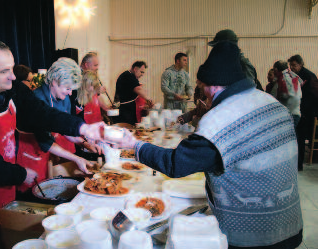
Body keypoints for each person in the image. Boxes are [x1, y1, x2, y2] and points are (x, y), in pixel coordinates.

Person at [121, 42, 303, 248]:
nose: (202, 91)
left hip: (254, 235)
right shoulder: (272, 103)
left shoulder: (221, 119)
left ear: (214, 85)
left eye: (202, 85)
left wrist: (134, 145)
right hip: (290, 224)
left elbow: (175, 164)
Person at [0, 38, 104, 249]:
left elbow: (40, 113)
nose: (13, 76)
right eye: (4, 71)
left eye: (12, 68)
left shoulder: (10, 87)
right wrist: (21, 174)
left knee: (2, 228)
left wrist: (81, 128)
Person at [34, 57, 102, 156]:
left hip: (55, 153)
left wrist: (85, 144)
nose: (70, 93)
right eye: (67, 88)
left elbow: (65, 129)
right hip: (35, 155)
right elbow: (45, 142)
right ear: (54, 81)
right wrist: (76, 159)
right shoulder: (38, 99)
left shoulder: (64, 98)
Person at [288, 54, 318, 170]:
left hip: (307, 113)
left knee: (302, 138)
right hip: (297, 111)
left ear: (301, 64)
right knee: (298, 139)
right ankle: (298, 164)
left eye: (294, 65)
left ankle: (301, 164)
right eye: (291, 65)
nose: (292, 67)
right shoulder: (293, 76)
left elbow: (314, 96)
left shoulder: (309, 76)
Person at [272, 60, 302, 129]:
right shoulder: (293, 76)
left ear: (276, 69)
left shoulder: (282, 79)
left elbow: (283, 95)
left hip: (288, 114)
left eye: (274, 70)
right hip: (295, 112)